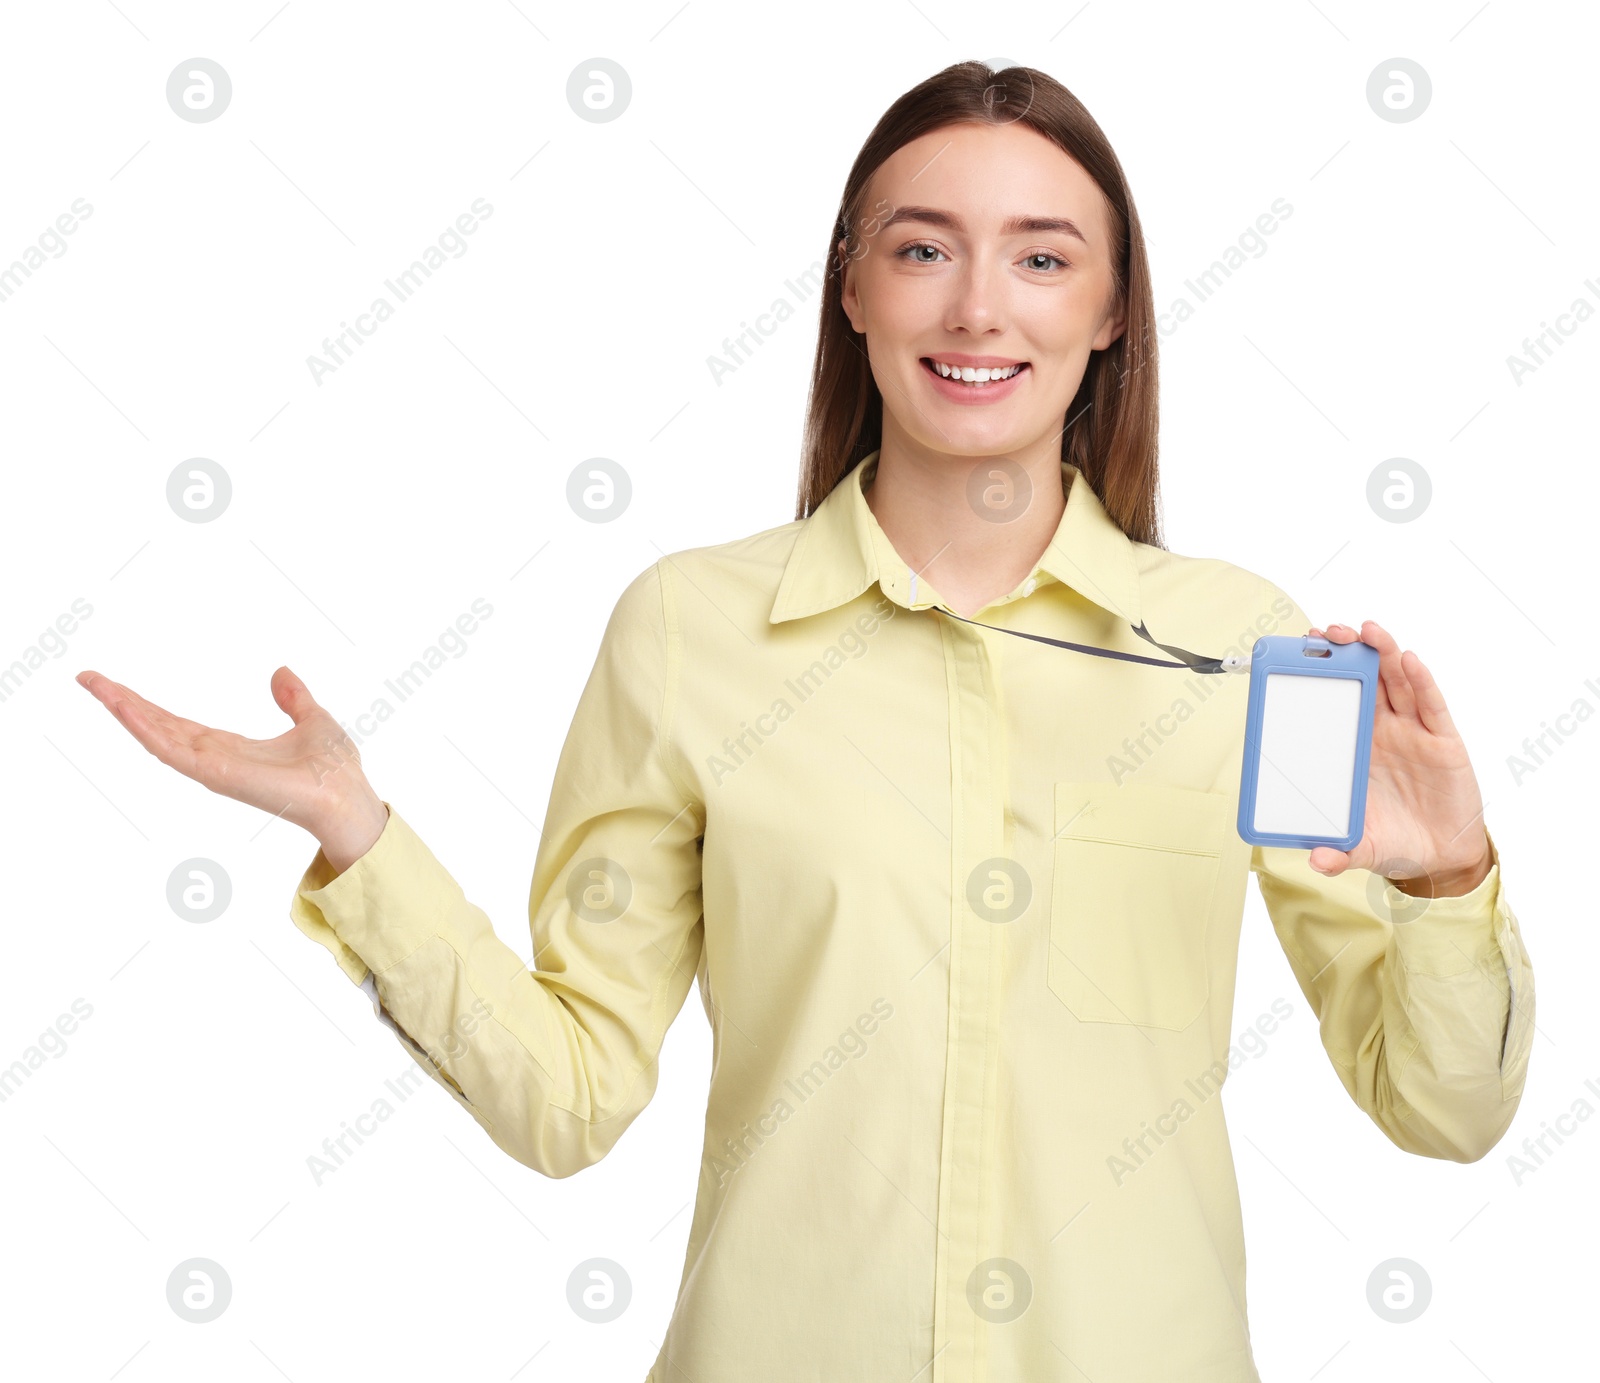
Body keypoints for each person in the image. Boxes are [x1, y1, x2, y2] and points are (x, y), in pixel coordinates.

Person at [76, 59, 1534, 1383]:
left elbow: (1440, 1111)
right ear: (853, 289)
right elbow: (569, 1100)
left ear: (1110, 312)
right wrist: (361, 840)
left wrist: (1448, 881)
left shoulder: (1248, 649)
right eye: (922, 249)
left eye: (1042, 256)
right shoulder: (688, 632)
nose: (978, 305)